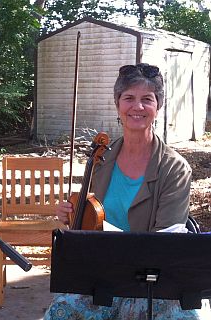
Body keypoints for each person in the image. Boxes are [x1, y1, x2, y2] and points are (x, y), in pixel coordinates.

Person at [44, 63, 202, 319]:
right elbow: (91, 225)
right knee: (60, 312)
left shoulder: (174, 168)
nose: (137, 107)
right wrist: (73, 215)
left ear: (157, 107)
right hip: (103, 275)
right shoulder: (100, 160)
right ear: (118, 104)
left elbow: (166, 242)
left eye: (147, 100)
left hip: (154, 281)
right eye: (128, 98)